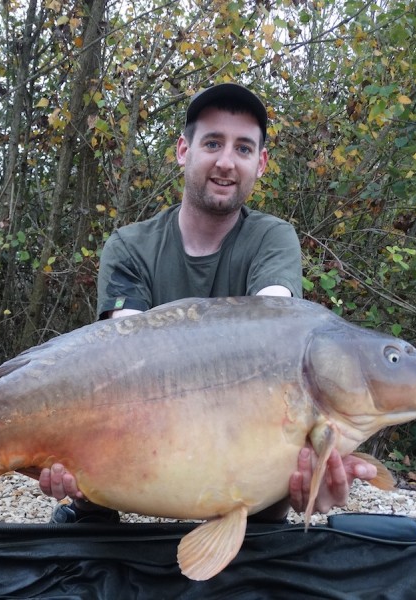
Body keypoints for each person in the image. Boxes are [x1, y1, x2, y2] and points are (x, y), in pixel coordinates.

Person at [39, 83, 376, 524]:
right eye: (213, 143)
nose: (225, 161)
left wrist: (313, 471)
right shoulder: (130, 246)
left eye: (243, 148)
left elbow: (277, 335)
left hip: (245, 464)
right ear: (184, 150)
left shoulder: (272, 239)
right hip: (143, 450)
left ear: (261, 163)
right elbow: (120, 366)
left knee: (279, 481)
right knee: (81, 487)